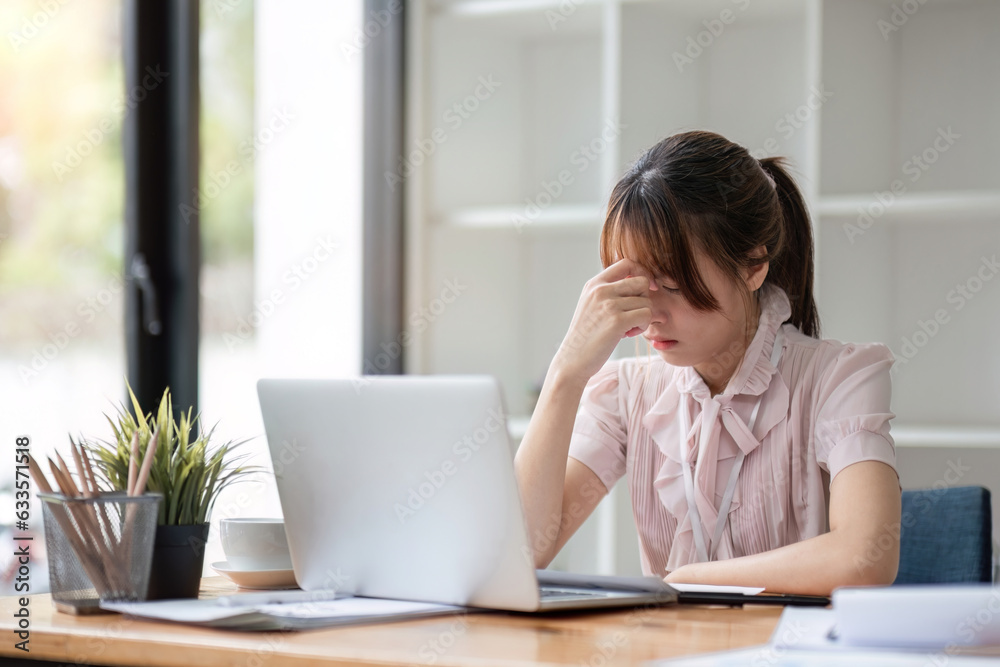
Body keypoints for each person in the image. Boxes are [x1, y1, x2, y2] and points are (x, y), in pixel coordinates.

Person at [513, 130, 901, 596]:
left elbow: (867, 557)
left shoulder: (839, 378)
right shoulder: (626, 392)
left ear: (754, 265)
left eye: (672, 283)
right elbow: (522, 553)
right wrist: (566, 373)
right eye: (635, 283)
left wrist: (687, 580)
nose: (651, 313)